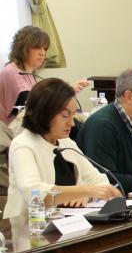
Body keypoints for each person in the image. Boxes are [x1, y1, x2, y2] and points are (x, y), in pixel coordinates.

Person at [4, 78, 121, 219]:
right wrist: (84, 191)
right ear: (44, 113)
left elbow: (99, 181)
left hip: (72, 223)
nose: (72, 123)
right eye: (65, 116)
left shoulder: (66, 143)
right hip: (34, 227)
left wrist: (86, 196)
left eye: (73, 115)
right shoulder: (23, 145)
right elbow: (35, 193)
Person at [1, 26, 90, 126]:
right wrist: (65, 94)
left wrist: (68, 91)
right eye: (37, 48)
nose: (42, 53)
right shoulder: (11, 72)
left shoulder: (28, 73)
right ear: (22, 49)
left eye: (44, 48)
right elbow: (34, 109)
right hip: (15, 131)